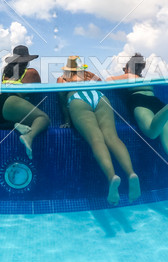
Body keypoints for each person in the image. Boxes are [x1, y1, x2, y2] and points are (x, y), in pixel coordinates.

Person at [107, 53, 168, 203]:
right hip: (157, 103)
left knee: (151, 132)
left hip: (140, 100)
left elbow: (108, 81)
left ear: (128, 67)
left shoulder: (129, 76)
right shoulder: (144, 80)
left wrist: (124, 74)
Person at [57, 56, 140, 206]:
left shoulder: (62, 79)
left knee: (96, 140)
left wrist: (67, 121)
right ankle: (131, 173)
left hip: (77, 98)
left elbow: (63, 103)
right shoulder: (88, 74)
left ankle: (112, 177)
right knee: (112, 138)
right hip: (100, 97)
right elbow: (104, 84)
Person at [0, 45, 50, 160]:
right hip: (10, 101)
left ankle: (15, 125)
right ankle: (29, 137)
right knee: (43, 119)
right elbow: (38, 93)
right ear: (27, 60)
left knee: (16, 119)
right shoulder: (32, 73)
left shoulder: (5, 73)